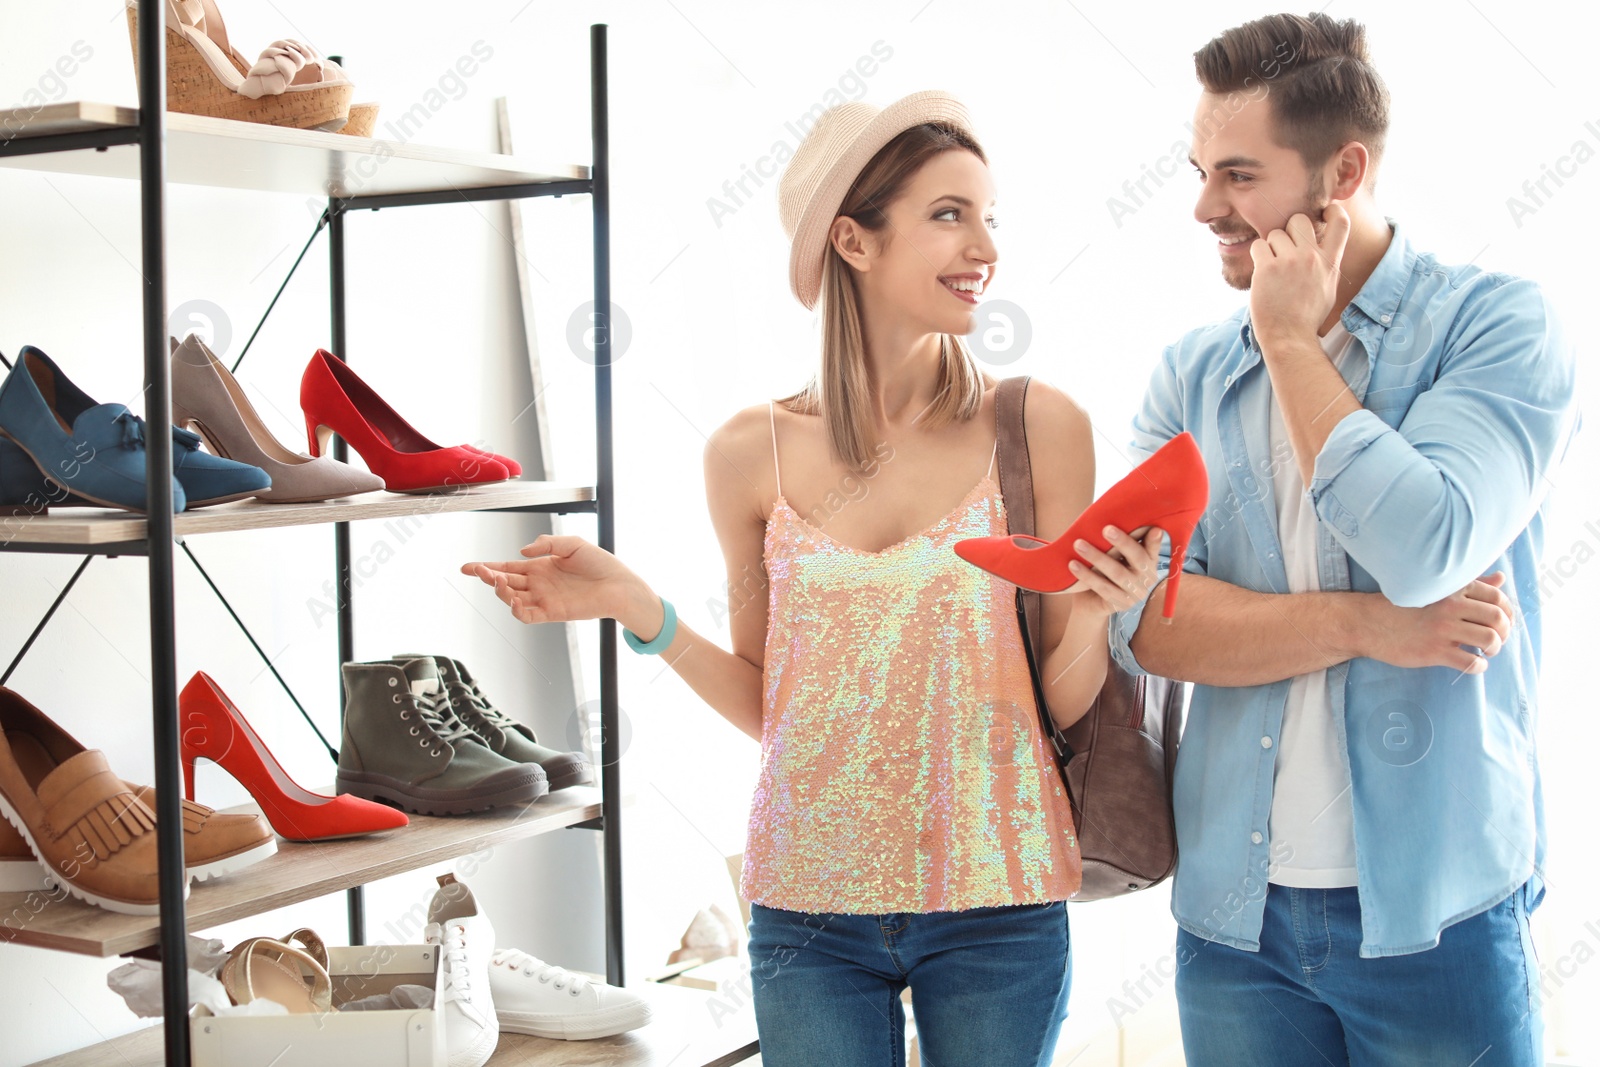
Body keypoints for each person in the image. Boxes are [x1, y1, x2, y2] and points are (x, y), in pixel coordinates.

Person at [463, 91, 1162, 1066]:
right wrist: (640, 608)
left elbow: (1062, 693)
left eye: (989, 215)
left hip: (998, 896)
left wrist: (1091, 606)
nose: (985, 246)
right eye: (948, 214)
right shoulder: (750, 454)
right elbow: (773, 703)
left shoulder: (1039, 427)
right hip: (807, 908)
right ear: (854, 241)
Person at [1108, 13, 1581, 1066]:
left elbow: (1428, 546)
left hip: (1440, 916)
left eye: (1238, 175)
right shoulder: (1188, 373)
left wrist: (1287, 339)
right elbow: (1145, 623)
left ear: (1345, 169)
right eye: (1198, 171)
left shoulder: (1497, 327)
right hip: (1235, 926)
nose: (1203, 207)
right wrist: (1368, 623)